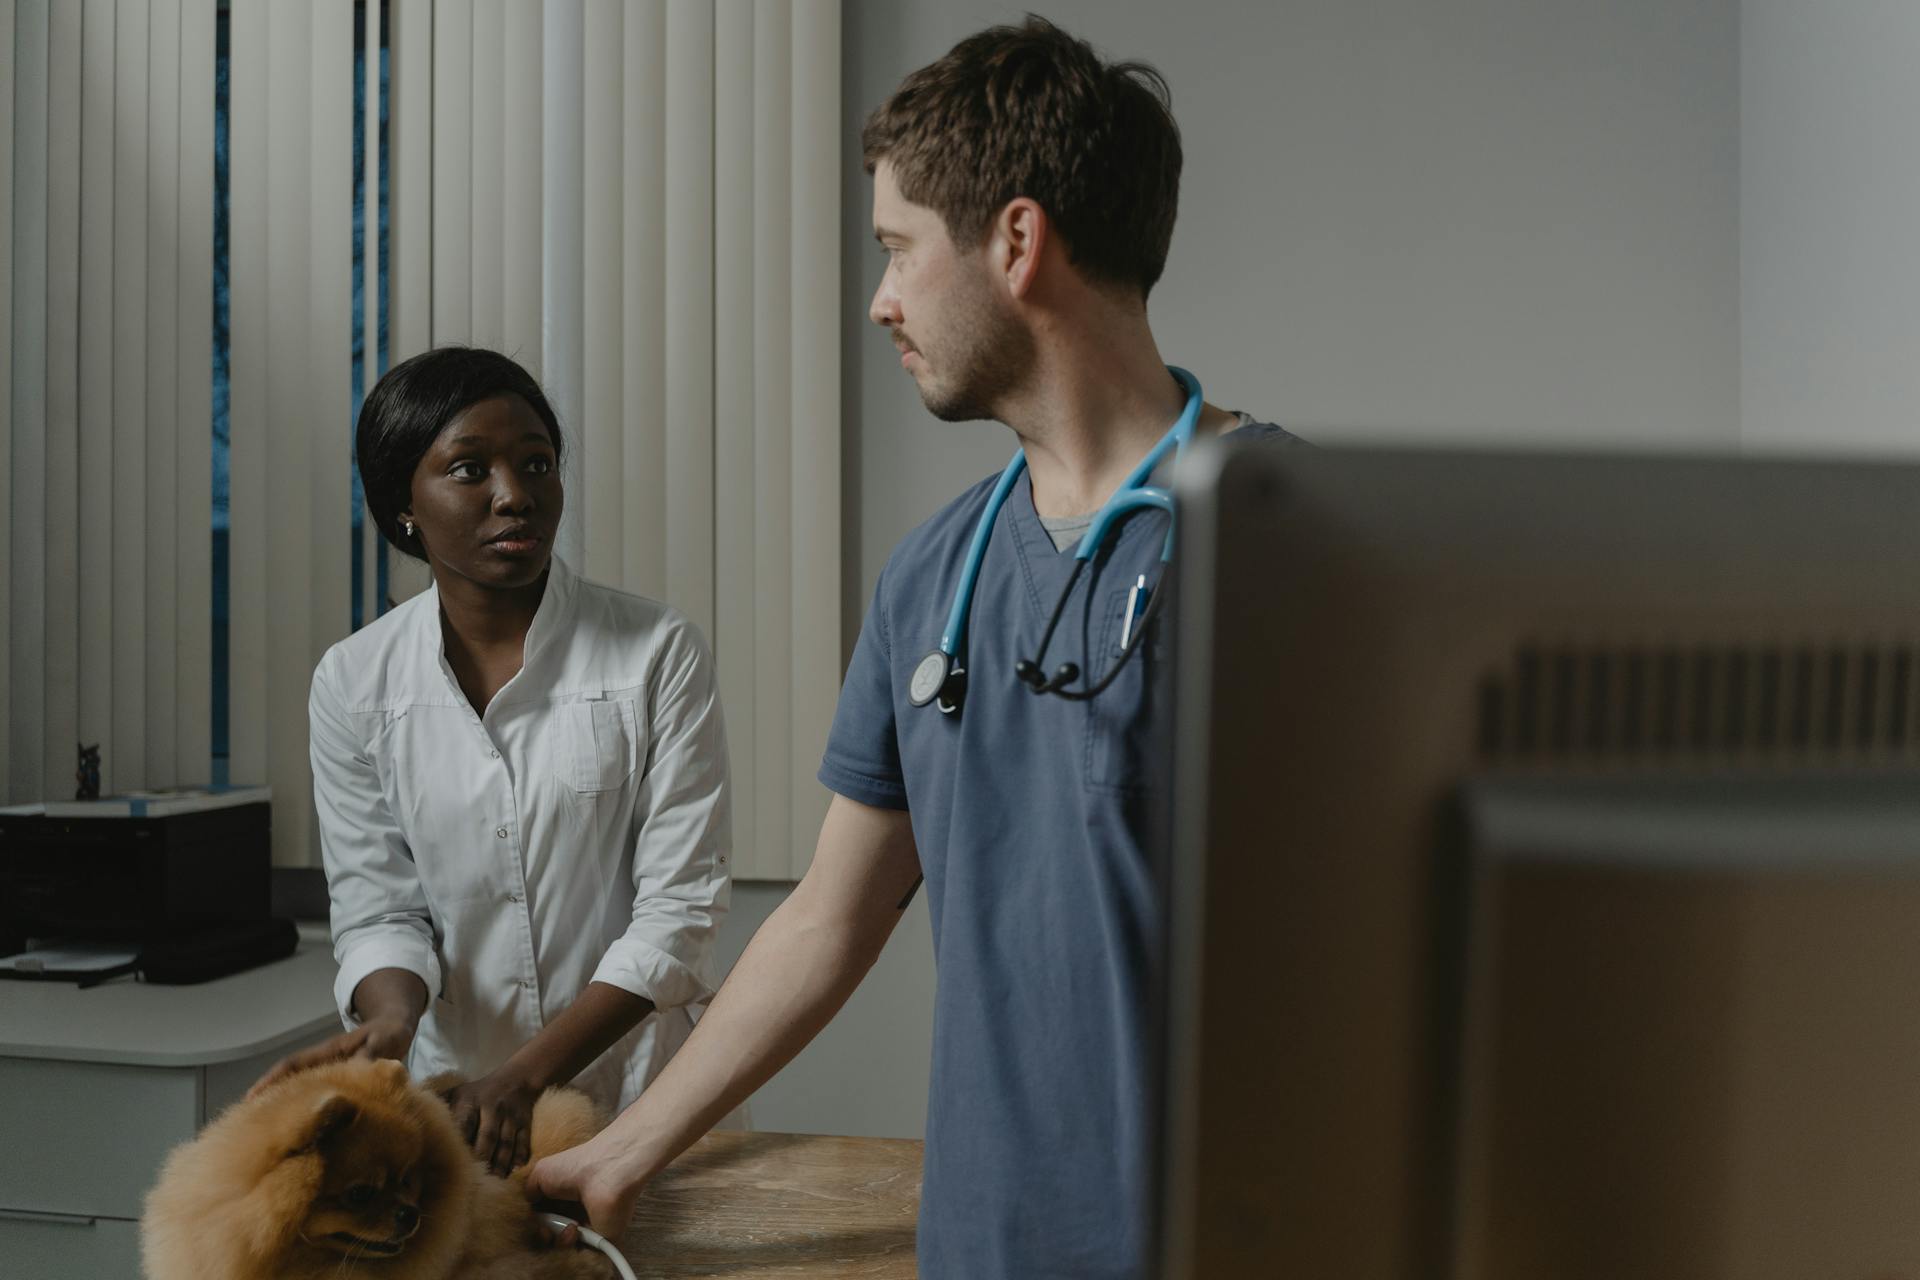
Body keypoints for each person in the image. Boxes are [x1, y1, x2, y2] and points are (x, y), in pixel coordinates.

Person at [525, 17, 1301, 1277]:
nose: (880, 297)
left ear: (1015, 240)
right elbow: (831, 918)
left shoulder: (1292, 543)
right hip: (983, 1247)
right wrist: (628, 1145)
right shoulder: (932, 578)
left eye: (896, 248)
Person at [255, 347, 732, 1179]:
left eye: (537, 464)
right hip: (456, 1112)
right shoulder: (355, 682)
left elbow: (677, 914)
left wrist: (525, 1076)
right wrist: (391, 1030)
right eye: (470, 469)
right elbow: (379, 912)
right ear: (405, 505)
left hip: (645, 1098)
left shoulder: (656, 652)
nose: (515, 493)